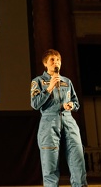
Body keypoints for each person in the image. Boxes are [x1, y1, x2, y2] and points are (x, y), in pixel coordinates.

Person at [30, 49, 87, 187]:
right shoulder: (38, 81)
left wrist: (71, 105)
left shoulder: (67, 81)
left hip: (68, 121)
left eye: (58, 60)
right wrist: (49, 88)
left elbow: (76, 103)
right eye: (52, 60)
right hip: (49, 122)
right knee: (50, 164)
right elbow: (35, 104)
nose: (56, 63)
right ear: (45, 63)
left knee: (78, 159)